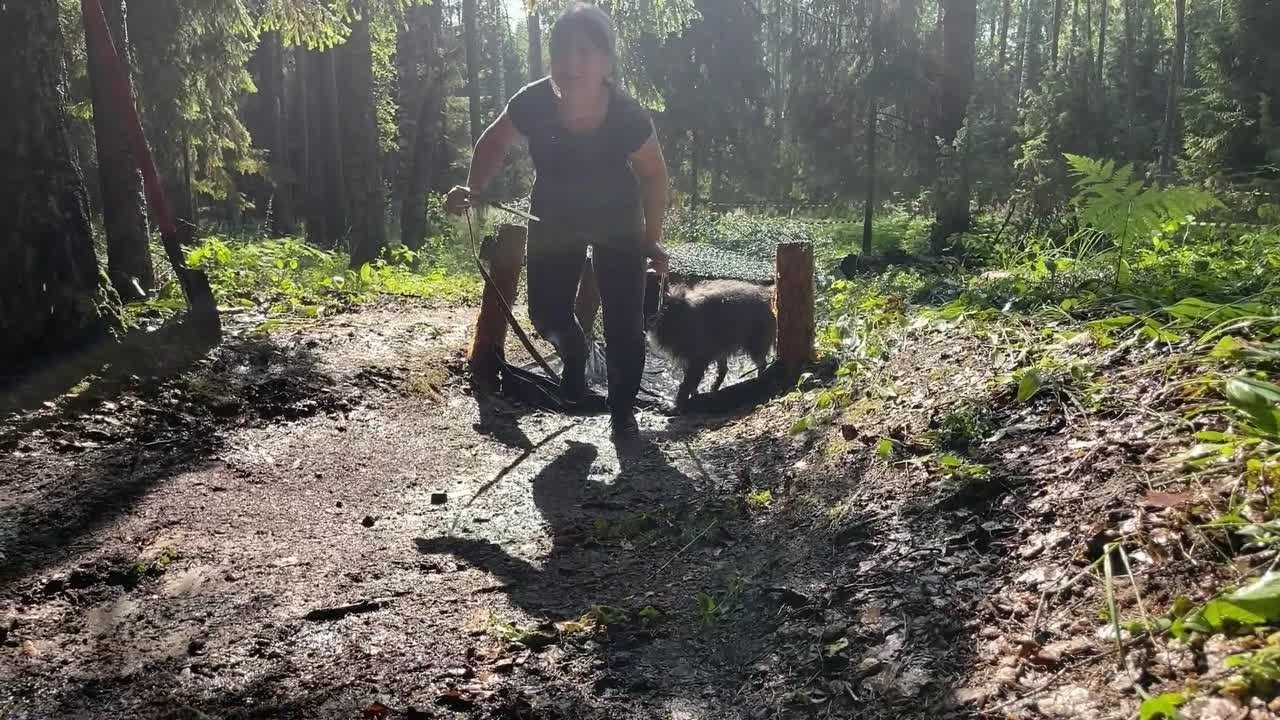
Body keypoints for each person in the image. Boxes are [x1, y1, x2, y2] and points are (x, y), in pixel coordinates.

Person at [445, 2, 669, 437]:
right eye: (563, 52)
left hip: (618, 220)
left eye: (585, 52)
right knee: (545, 312)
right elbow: (496, 138)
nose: (572, 63)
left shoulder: (626, 115)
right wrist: (472, 187)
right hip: (554, 214)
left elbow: (655, 175)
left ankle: (623, 413)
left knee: (624, 319)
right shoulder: (534, 101)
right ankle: (574, 353)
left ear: (606, 62)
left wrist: (651, 239)